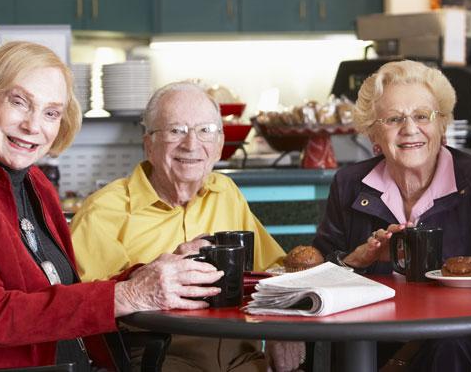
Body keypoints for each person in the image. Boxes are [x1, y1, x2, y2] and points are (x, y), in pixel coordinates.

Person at [0, 42, 224, 371]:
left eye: (51, 113)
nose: (33, 126)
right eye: (19, 102)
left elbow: (63, 294)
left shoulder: (36, 184)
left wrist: (147, 276)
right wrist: (129, 295)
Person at [70, 81, 303, 372]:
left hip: (242, 353)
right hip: (161, 355)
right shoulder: (104, 211)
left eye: (205, 130)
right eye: (176, 130)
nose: (191, 144)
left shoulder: (226, 192)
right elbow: (82, 310)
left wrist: (287, 325)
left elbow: (275, 270)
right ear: (149, 145)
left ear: (219, 146)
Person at [312, 60, 471, 371]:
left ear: (441, 124)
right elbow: (316, 278)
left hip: (465, 340)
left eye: (422, 116)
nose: (410, 129)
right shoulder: (349, 184)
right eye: (394, 118)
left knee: (450, 347)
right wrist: (355, 261)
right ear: (374, 132)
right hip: (374, 344)